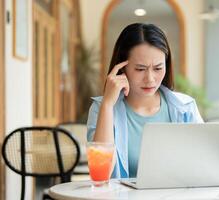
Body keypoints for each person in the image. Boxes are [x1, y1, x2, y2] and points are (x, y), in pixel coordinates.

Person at [87, 23, 203, 178]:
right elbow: (101, 176)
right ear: (122, 68)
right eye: (140, 69)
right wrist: (108, 105)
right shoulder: (101, 108)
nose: (150, 79)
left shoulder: (185, 108)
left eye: (158, 68)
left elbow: (203, 166)